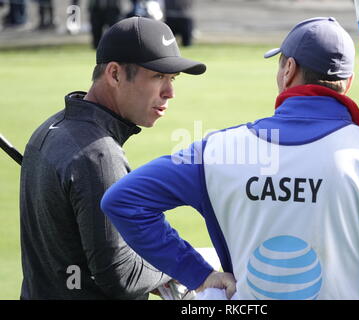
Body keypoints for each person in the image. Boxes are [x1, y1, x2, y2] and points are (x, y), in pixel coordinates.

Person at [100, 17, 359, 300]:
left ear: (288, 70)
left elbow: (122, 201)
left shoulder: (219, 150)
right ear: (347, 82)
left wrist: (199, 274)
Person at [19, 16, 233, 300]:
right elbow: (119, 275)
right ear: (115, 74)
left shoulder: (52, 127)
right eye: (158, 77)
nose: (169, 93)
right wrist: (181, 269)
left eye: (172, 79)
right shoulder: (98, 155)